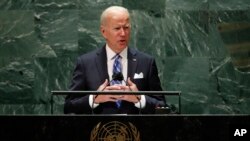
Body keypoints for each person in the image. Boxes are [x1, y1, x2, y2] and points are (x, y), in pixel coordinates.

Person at [64, 6, 165, 114]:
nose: (123, 33)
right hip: (98, 129)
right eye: (117, 28)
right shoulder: (86, 63)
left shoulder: (146, 62)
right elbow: (69, 106)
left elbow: (162, 106)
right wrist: (95, 98)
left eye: (126, 28)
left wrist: (139, 98)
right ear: (103, 32)